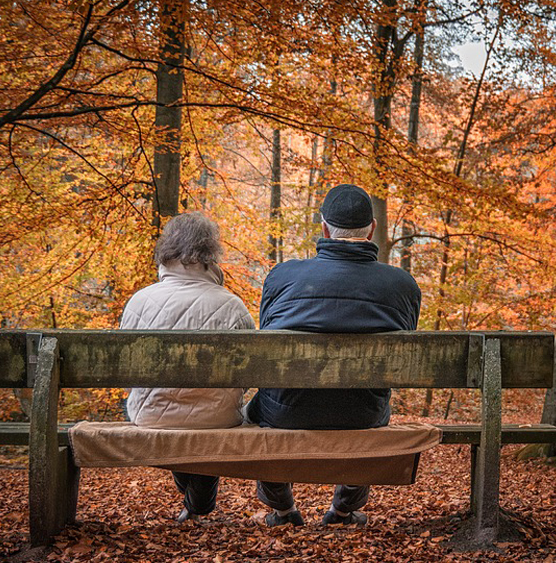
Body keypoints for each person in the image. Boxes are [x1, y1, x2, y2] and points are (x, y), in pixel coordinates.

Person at [245, 183, 422, 527]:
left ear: (324, 228)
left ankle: (282, 511)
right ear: (371, 230)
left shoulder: (282, 277)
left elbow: (268, 337)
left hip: (286, 412)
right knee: (368, 405)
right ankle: (343, 511)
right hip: (362, 413)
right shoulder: (402, 286)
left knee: (264, 405)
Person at [122, 212, 255, 523]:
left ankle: (196, 505)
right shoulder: (232, 306)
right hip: (218, 417)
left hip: (149, 415)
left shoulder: (139, 302)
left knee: (180, 420)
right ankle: (199, 505)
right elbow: (248, 374)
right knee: (206, 418)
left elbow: (128, 375)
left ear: (167, 252)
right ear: (211, 255)